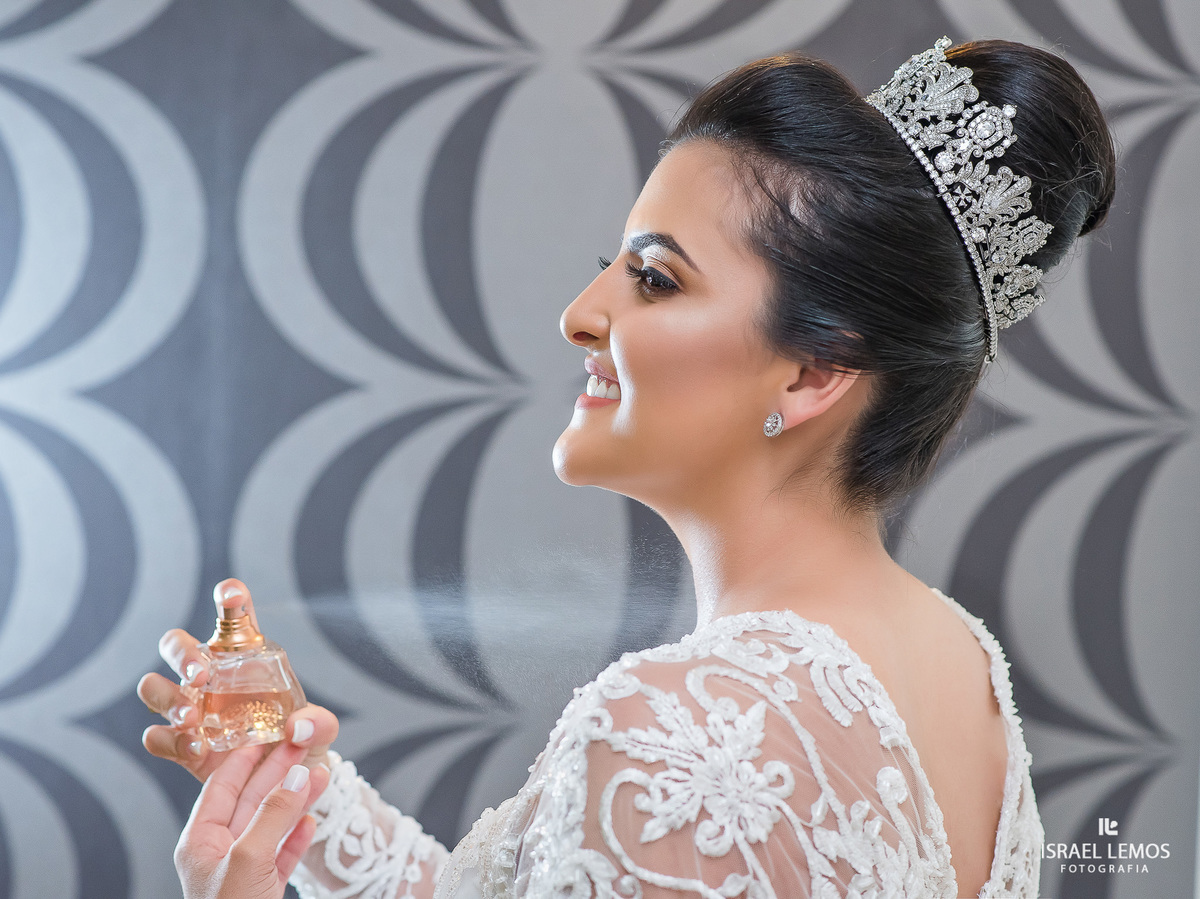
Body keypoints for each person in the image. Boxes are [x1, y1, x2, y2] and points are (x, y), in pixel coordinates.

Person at [137, 37, 1115, 898]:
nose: (580, 314)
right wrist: (298, 791)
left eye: (654, 277)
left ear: (815, 370)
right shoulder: (963, 668)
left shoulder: (677, 727)